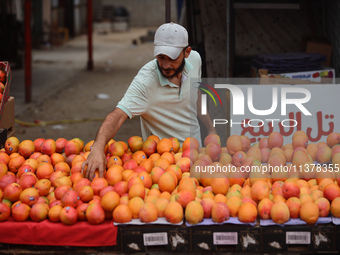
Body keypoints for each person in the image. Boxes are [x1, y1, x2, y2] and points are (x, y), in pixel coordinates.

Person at [82, 22, 216, 180]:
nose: (166, 65)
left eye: (172, 58)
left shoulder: (195, 60)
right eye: (161, 57)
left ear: (186, 52)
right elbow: (117, 116)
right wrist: (98, 147)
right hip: (163, 167)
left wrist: (211, 128)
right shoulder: (145, 82)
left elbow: (196, 94)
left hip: (196, 156)